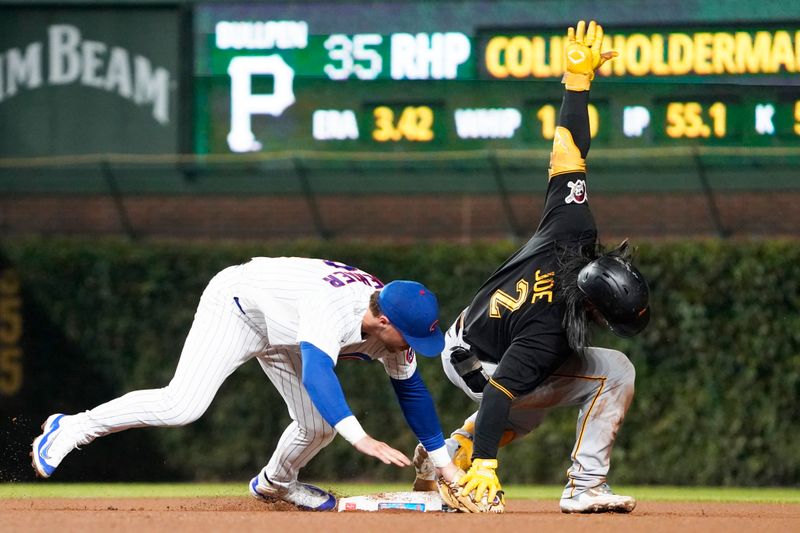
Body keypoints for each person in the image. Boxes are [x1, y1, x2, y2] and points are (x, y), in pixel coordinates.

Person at [418, 20, 650, 514]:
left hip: (476, 332)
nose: (607, 324)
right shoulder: (553, 329)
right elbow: (500, 391)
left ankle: (452, 451)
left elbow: (569, 149)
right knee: (607, 374)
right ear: (594, 305)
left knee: (534, 397)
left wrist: (576, 84)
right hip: (480, 365)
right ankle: (580, 486)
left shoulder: (573, 228)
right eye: (609, 317)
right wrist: (486, 465)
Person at [31, 256, 460, 510]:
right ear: (383, 320)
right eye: (411, 336)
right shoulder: (334, 309)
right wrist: (360, 436)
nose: (415, 346)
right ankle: (72, 427)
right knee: (183, 405)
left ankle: (277, 483)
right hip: (239, 306)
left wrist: (445, 468)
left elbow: (412, 391)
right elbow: (316, 372)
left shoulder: (390, 328)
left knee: (318, 426)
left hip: (288, 329)